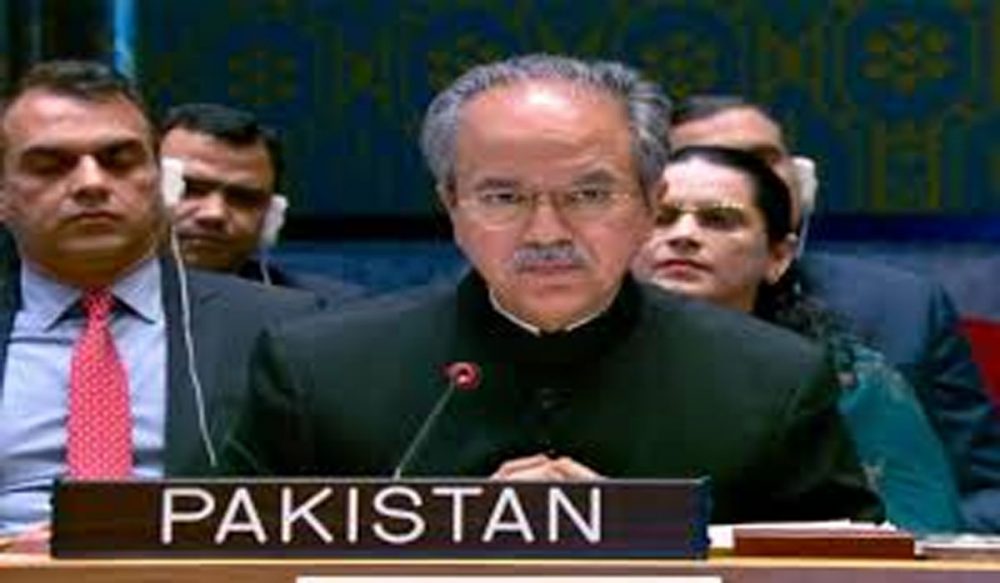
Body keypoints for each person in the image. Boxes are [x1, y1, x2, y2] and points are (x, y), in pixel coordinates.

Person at [222, 54, 880, 524]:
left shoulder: (771, 379)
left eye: (589, 194)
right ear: (452, 206)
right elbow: (228, 567)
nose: (546, 232)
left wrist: (636, 543)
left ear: (650, 203)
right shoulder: (317, 370)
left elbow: (841, 575)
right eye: (503, 196)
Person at [0, 60, 321, 537]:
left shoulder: (281, 327)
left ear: (161, 182)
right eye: (51, 165)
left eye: (120, 161)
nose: (91, 183)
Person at [661, 95, 1000, 532]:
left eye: (720, 218)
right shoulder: (587, 337)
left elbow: (961, 496)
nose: (684, 234)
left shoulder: (865, 351)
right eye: (662, 216)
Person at [160, 102, 362, 300]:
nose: (215, 214)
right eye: (188, 189)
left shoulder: (334, 310)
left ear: (272, 217)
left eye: (244, 199)